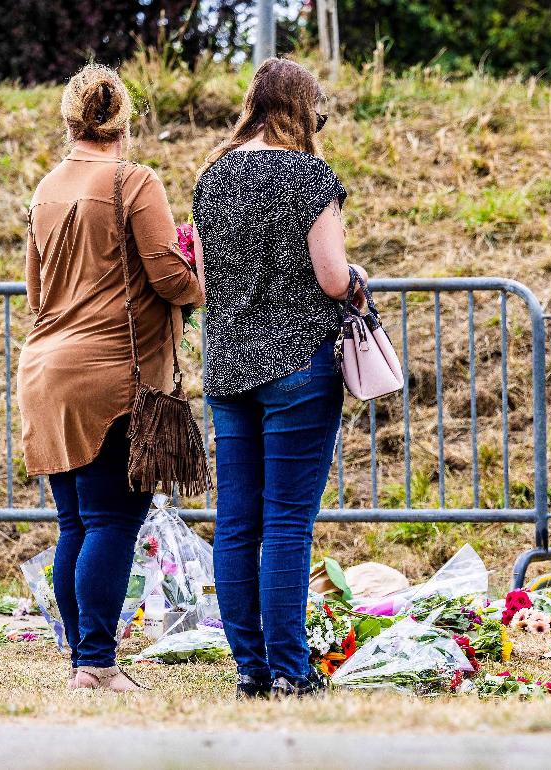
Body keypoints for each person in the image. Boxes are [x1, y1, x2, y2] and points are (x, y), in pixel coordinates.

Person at [18, 64, 204, 692]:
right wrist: (202, 269)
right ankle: (95, 665)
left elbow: (36, 292)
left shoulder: (45, 189)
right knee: (112, 524)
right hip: (108, 378)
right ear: (125, 122)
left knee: (77, 525)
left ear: (70, 119)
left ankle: (84, 661)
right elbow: (170, 279)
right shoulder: (135, 180)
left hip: (46, 370)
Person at [193, 58, 367, 699]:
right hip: (298, 363)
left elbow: (209, 281)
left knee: (236, 523)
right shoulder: (311, 176)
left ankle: (251, 669)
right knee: (288, 524)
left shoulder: (213, 176)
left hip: (230, 367)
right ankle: (294, 671)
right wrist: (357, 281)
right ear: (302, 110)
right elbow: (330, 276)